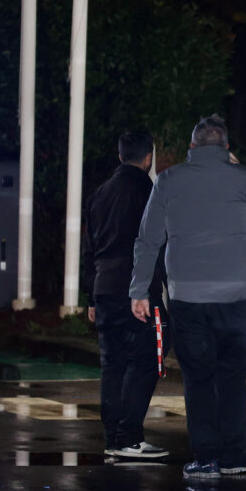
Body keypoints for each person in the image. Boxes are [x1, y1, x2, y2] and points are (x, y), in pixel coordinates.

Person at [130, 114, 246, 478]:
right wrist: (242, 170)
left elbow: (148, 239)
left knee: (198, 377)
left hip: (187, 298)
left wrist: (138, 290)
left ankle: (204, 457)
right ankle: (233, 455)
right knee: (231, 376)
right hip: (236, 297)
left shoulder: (168, 180)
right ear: (227, 148)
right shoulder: (245, 178)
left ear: (192, 147)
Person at [82, 131, 169, 460]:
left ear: (120, 157)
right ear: (148, 157)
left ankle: (115, 436)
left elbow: (89, 251)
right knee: (147, 359)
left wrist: (92, 296)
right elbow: (155, 243)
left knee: (113, 364)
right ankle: (129, 436)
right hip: (138, 287)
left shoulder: (99, 195)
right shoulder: (150, 192)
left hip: (104, 287)